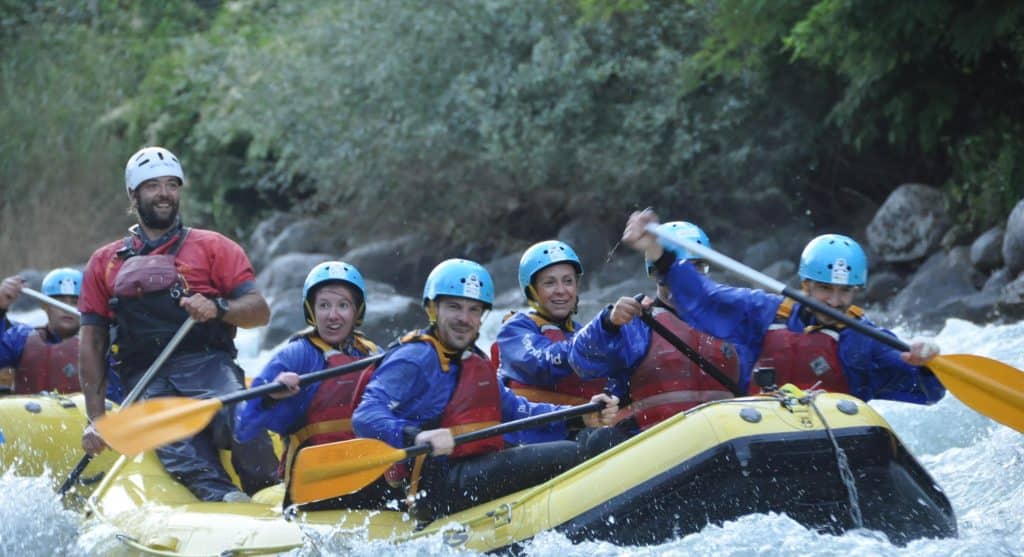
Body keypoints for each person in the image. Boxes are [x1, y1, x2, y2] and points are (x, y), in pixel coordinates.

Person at [78, 146, 278, 503]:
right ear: (133, 194)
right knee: (179, 449)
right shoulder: (104, 263)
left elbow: (259, 311)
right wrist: (97, 418)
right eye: (152, 185)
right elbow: (91, 342)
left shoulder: (214, 247)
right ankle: (222, 499)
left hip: (208, 364)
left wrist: (218, 307)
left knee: (243, 417)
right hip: (144, 378)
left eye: (171, 184)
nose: (164, 194)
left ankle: (269, 495)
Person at [352, 258, 618, 520]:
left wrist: (579, 416)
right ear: (433, 309)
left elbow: (517, 411)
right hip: (438, 486)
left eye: (474, 310)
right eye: (454, 307)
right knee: (572, 454)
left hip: (477, 468)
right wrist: (416, 437)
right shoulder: (414, 357)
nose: (464, 319)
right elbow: (366, 415)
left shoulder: (473, 360)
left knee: (586, 442)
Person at [620, 210, 945, 404]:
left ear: (857, 290)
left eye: (845, 292)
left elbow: (927, 390)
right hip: (763, 434)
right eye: (825, 289)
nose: (835, 301)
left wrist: (927, 363)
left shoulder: (865, 338)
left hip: (835, 443)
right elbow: (703, 298)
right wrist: (658, 253)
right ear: (806, 285)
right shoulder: (763, 314)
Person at [234, 261, 385, 506]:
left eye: (343, 305)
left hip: (367, 472)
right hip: (314, 480)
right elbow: (244, 427)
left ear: (357, 311)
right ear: (311, 310)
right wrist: (272, 395)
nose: (333, 315)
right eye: (324, 305)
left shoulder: (373, 354)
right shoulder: (296, 356)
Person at [569, 222, 742, 433]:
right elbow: (581, 362)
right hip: (656, 441)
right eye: (675, 267)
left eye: (697, 266)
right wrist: (607, 323)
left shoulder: (728, 321)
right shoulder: (638, 322)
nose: (688, 275)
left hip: (725, 437)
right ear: (656, 272)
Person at [493, 240, 613, 444]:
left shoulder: (580, 332)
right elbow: (544, 363)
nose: (561, 290)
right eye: (549, 283)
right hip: (536, 438)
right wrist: (604, 326)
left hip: (582, 431)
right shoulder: (514, 331)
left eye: (568, 281)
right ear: (533, 291)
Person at [0, 268, 84, 394]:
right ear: (45, 305)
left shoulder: (99, 346)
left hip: (79, 413)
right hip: (29, 412)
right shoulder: (20, 338)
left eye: (75, 302)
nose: (67, 309)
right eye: (59, 302)